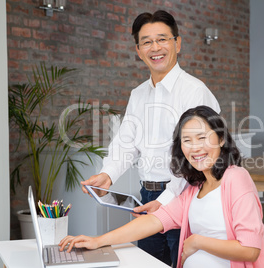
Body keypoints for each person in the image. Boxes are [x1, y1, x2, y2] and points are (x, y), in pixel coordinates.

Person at [80, 10, 220, 267]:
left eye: (162, 39)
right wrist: (107, 175)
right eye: (147, 42)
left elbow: (199, 155)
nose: (155, 47)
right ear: (138, 50)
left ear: (177, 43)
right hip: (147, 197)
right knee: (147, 264)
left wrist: (164, 201)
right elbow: (126, 142)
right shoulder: (138, 94)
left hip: (185, 196)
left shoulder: (195, 91)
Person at [60, 105, 264, 268]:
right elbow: (153, 222)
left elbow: (250, 249)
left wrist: (197, 242)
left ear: (221, 139)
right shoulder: (194, 188)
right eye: (187, 140)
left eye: (202, 138)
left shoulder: (236, 178)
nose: (195, 147)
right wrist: (98, 241)